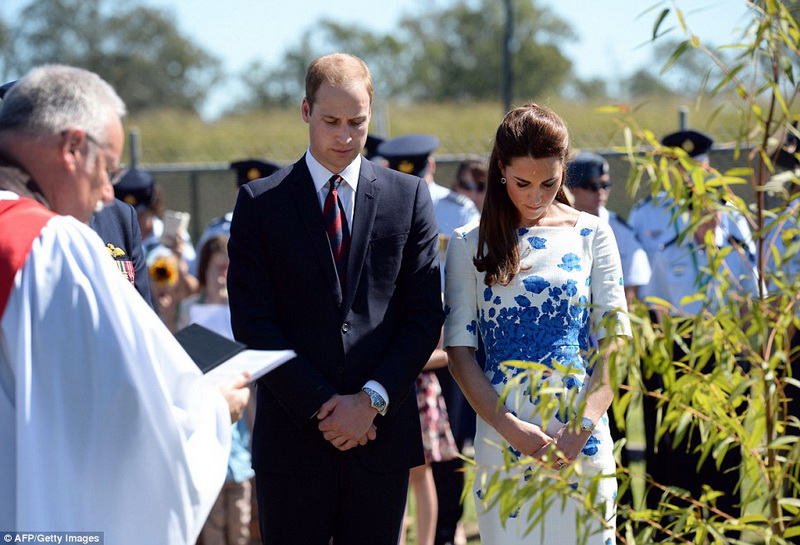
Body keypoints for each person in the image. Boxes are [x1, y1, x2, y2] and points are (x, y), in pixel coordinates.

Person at [0, 64, 250, 543]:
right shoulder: (52, 245)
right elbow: (122, 417)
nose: (109, 195)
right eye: (108, 169)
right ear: (73, 148)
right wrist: (213, 408)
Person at [226, 53, 444, 545]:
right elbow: (254, 322)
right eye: (331, 121)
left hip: (380, 437)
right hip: (293, 438)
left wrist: (370, 400)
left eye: (357, 122)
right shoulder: (261, 204)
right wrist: (325, 405)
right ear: (306, 111)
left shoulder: (407, 197)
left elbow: (424, 314)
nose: (344, 136)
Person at [444, 103, 631, 543]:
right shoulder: (469, 242)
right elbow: (458, 351)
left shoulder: (592, 232)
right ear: (501, 171)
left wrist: (581, 427)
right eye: (522, 182)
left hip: (581, 430)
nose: (535, 196)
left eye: (549, 182)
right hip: (502, 431)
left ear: (564, 170)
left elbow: (616, 340)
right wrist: (509, 428)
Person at [379, 133, 481, 545]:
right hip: (400, 341)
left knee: (450, 446)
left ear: (430, 166)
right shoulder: (384, 199)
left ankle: (446, 531)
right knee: (405, 461)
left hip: (450, 337)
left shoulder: (455, 209)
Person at [1, 78, 152, 305]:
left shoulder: (119, 218)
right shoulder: (8, 218)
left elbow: (143, 320)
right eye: (102, 167)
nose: (108, 193)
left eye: (112, 173)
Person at [178, 235, 255, 545]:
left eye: (228, 269)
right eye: (217, 268)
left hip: (239, 427)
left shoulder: (244, 310)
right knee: (210, 520)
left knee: (240, 518)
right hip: (204, 418)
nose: (222, 276)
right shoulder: (189, 308)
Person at [116, 167, 199, 329]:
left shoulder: (173, 236)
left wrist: (177, 257)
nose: (136, 219)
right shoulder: (115, 237)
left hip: (164, 321)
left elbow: (192, 290)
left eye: (141, 213)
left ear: (153, 207)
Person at [567, 151, 651, 307]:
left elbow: (631, 289)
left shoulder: (621, 230)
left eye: (605, 185)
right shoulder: (560, 227)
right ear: (572, 188)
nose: (601, 192)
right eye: (592, 186)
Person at [197, 159, 281, 250]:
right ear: (236, 189)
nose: (252, 196)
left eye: (259, 191)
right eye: (246, 191)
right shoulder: (218, 229)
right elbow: (200, 262)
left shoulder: (281, 225)